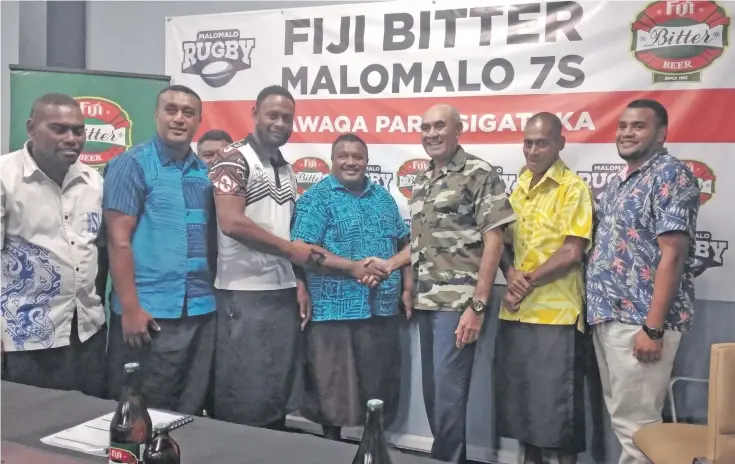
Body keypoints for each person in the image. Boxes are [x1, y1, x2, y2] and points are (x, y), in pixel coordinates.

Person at [377, 104, 515, 463]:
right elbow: (423, 242)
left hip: (458, 305)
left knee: (450, 397)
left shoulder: (478, 172)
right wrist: (389, 264)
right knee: (435, 395)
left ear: (458, 130)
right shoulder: (423, 179)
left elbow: (495, 240)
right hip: (425, 301)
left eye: (440, 126)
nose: (432, 133)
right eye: (425, 127)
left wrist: (478, 306)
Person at [586, 99, 700, 464]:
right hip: (609, 318)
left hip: (640, 322)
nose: (626, 133)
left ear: (662, 133)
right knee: (627, 423)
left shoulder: (670, 174)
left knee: (640, 430)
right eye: (622, 126)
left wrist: (652, 328)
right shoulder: (622, 183)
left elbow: (674, 254)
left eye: (638, 126)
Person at [207, 85, 316, 429]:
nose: (280, 123)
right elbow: (231, 222)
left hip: (281, 292)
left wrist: (297, 279)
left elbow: (284, 230)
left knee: (277, 392)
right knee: (244, 393)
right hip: (242, 293)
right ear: (254, 113)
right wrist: (289, 252)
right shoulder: (233, 159)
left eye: (287, 117)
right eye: (273, 115)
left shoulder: (286, 168)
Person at [103, 85, 216, 415]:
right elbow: (118, 240)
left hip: (200, 312)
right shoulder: (131, 164)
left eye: (188, 112)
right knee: (141, 412)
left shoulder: (206, 174)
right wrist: (131, 308)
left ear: (198, 121)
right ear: (156, 115)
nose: (179, 118)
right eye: (171, 110)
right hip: (148, 314)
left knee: (189, 408)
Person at [290, 133, 412, 441]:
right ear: (332, 160)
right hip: (333, 311)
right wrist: (353, 268)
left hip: (381, 309)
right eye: (343, 156)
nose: (350, 162)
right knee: (333, 391)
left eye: (357, 157)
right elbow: (303, 248)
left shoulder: (383, 198)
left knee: (379, 386)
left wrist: (408, 287)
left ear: (367, 161)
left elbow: (404, 242)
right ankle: (333, 449)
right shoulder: (317, 198)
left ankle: (374, 448)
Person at [495, 113, 593, 464]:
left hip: (557, 316)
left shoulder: (572, 189)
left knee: (557, 417)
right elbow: (500, 242)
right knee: (523, 413)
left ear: (560, 144)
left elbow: (572, 250)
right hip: (517, 312)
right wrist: (510, 274)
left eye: (542, 142)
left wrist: (525, 281)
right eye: (528, 142)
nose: (533, 150)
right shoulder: (519, 185)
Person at [0, 93, 107, 397]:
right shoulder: (5, 178)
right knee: (29, 432)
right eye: (59, 129)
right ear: (31, 128)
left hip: (86, 332)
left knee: (86, 429)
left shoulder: (94, 182)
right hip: (25, 337)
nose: (72, 138)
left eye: (78, 130)